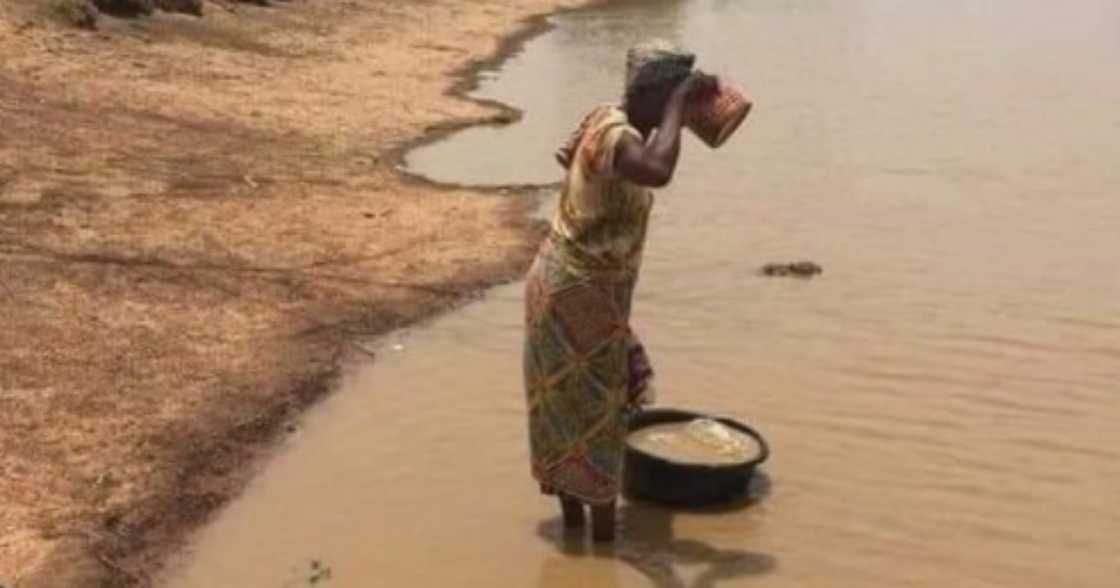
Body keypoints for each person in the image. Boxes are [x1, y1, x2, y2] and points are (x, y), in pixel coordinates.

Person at [523, 40, 716, 542]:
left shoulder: (611, 121)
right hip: (577, 291)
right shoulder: (619, 137)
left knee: (574, 412)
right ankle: (602, 551)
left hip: (575, 286)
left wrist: (683, 112)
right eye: (674, 95)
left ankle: (574, 547)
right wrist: (678, 110)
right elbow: (658, 171)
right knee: (599, 418)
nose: (681, 107)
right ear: (653, 92)